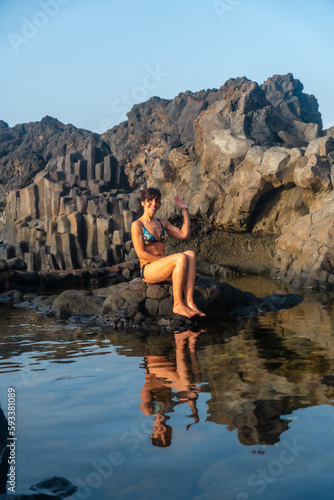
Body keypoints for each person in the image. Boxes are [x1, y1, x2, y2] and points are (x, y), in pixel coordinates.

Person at [131, 187, 205, 318]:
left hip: (164, 267)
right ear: (143, 202)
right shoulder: (137, 225)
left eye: (157, 201)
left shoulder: (162, 222)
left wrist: (185, 210)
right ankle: (177, 304)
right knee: (180, 258)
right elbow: (141, 253)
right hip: (148, 269)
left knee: (191, 254)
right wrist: (167, 261)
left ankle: (189, 302)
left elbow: (184, 235)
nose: (154, 204)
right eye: (150, 200)